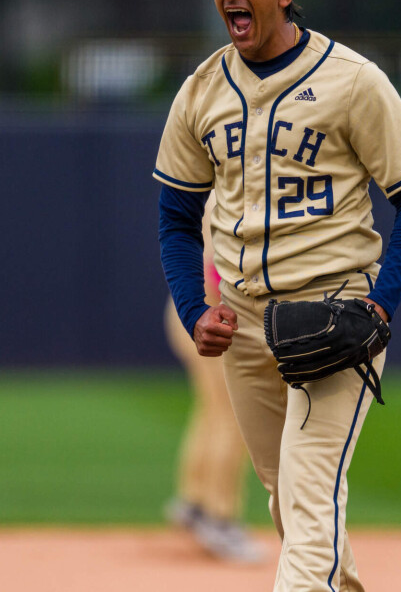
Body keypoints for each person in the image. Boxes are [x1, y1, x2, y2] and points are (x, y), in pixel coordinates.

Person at [155, 0, 401, 589]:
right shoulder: (201, 91)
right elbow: (176, 217)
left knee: (309, 498)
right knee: (292, 504)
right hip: (243, 324)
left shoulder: (353, 81)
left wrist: (382, 306)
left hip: (333, 312)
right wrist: (192, 308)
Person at [163, 192, 265, 564]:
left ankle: (194, 501)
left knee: (214, 411)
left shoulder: (217, 192)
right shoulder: (232, 195)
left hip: (190, 313)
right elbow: (217, 271)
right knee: (233, 416)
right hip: (211, 319)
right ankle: (218, 518)